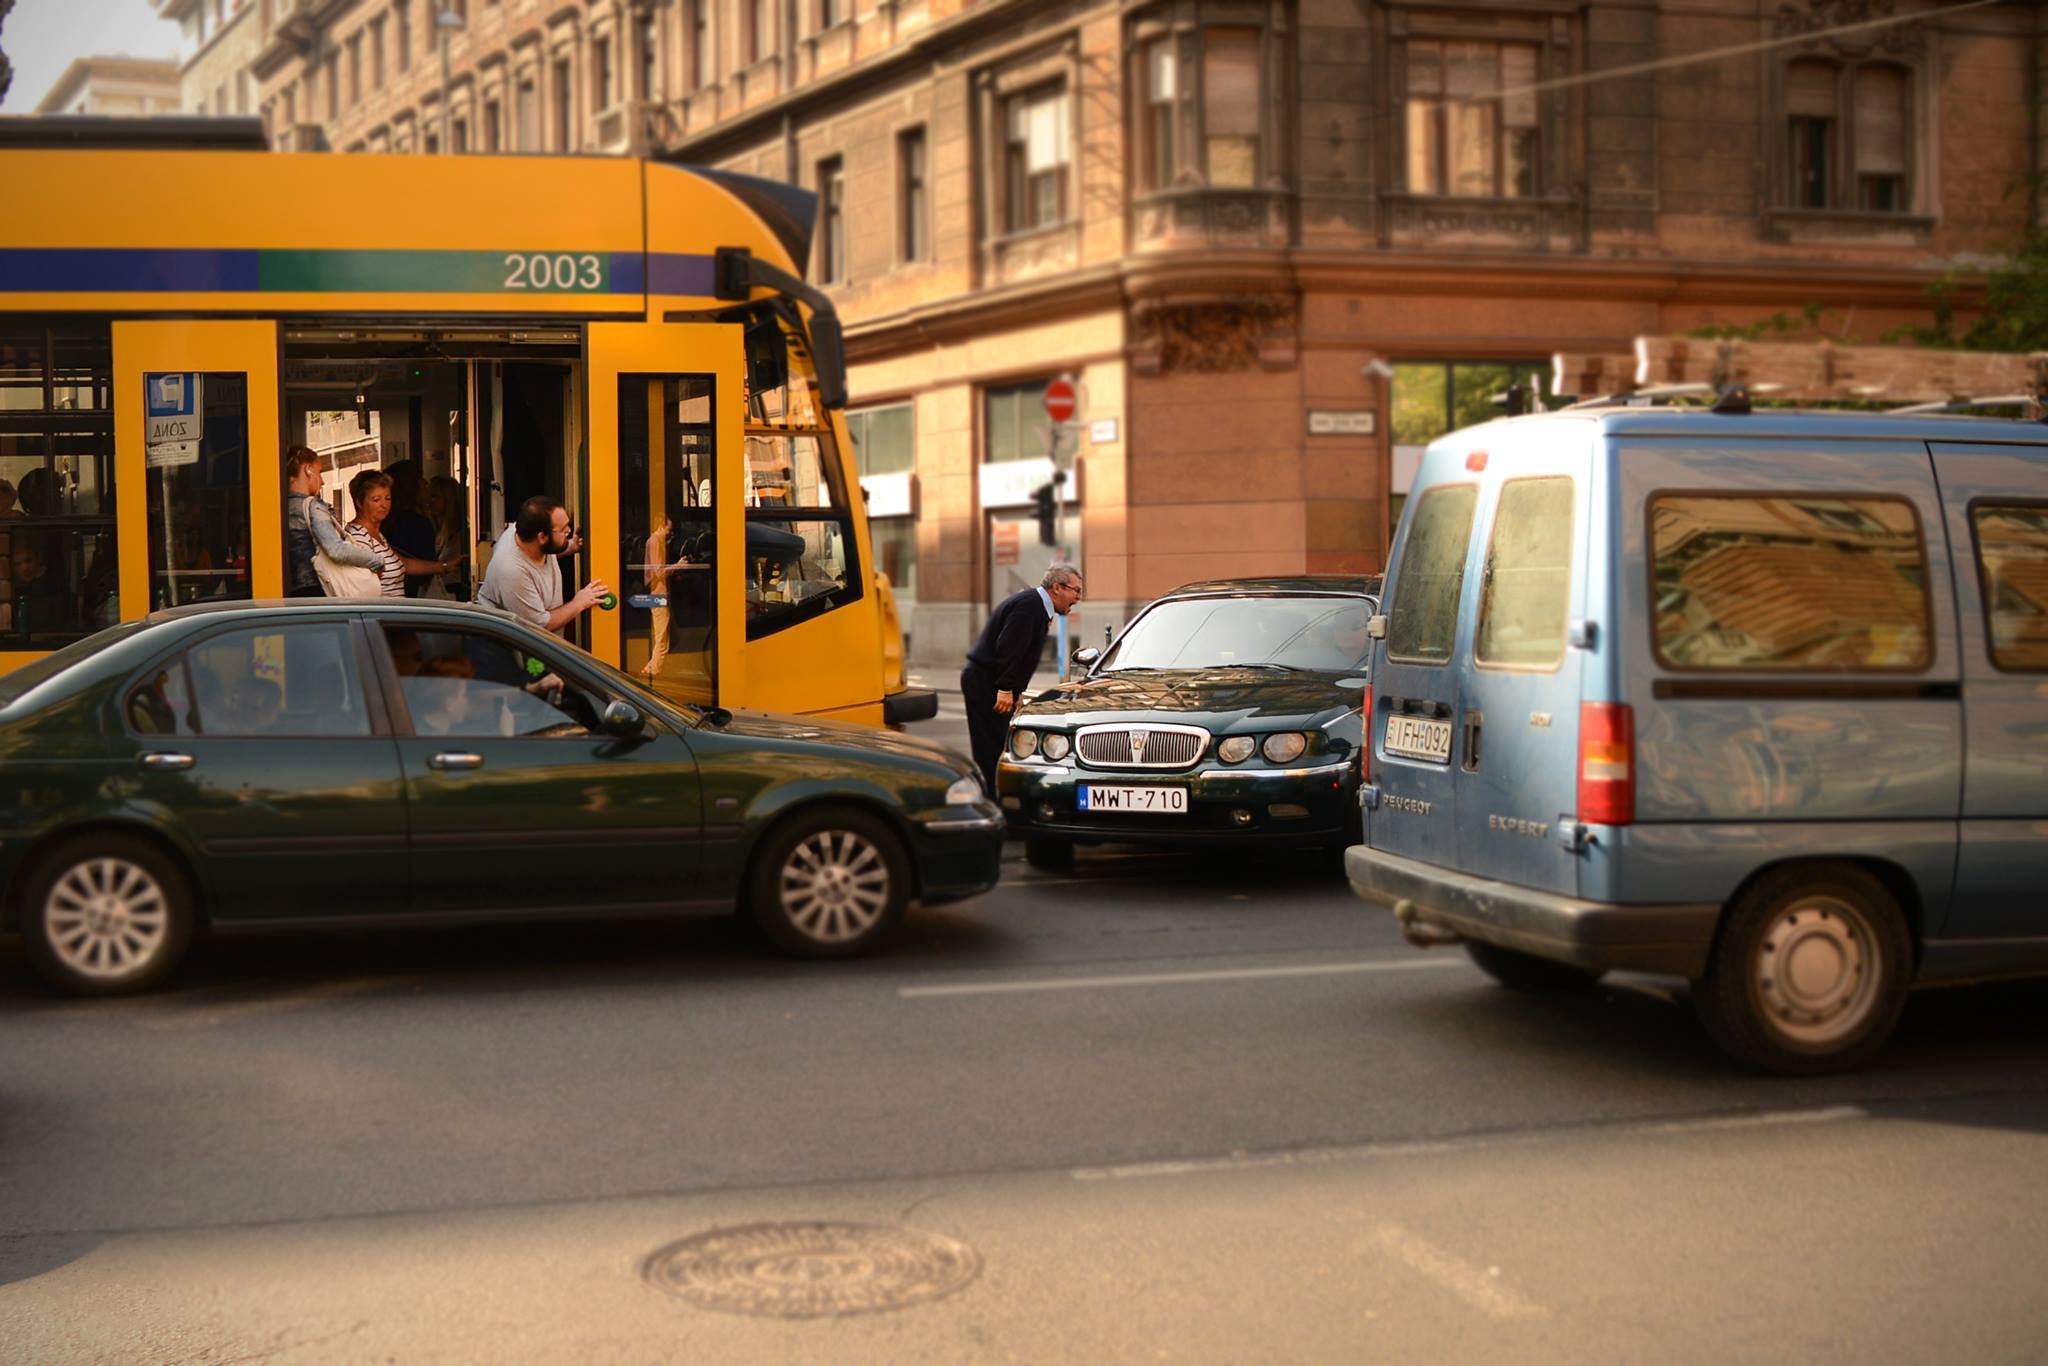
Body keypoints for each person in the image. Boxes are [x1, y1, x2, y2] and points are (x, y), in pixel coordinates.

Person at [961, 563, 1082, 797]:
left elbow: (1020, 652)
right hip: (987, 681)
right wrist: (1006, 688)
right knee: (991, 747)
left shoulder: (1036, 605)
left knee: (999, 744)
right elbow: (1009, 648)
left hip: (991, 680)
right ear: (1057, 587)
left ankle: (998, 797)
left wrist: (1017, 692)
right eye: (1075, 591)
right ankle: (993, 803)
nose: (1077, 598)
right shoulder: (1030, 606)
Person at [476, 494, 609, 635]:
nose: (569, 531)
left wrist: (572, 546)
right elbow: (539, 626)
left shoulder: (525, 533)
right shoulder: (512, 570)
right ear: (542, 537)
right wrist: (579, 603)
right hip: (511, 650)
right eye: (563, 529)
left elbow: (547, 549)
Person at [345, 470, 459, 598]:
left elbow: (404, 563)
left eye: (387, 498)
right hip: (380, 615)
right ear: (359, 502)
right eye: (376, 500)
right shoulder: (358, 538)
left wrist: (444, 566)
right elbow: (363, 589)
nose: (384, 505)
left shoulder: (376, 535)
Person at [284, 447, 380, 598]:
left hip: (295, 591)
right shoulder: (312, 506)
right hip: (317, 589)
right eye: (319, 472)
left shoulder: (282, 507)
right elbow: (336, 550)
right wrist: (375, 560)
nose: (322, 481)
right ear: (308, 469)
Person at [383, 459, 442, 597]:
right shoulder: (418, 524)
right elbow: (421, 572)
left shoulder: (385, 522)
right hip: (412, 599)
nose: (426, 484)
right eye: (421, 479)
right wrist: (444, 566)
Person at [424, 474, 468, 600]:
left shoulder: (462, 535)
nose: (429, 501)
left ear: (449, 500)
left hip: (453, 593)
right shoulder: (432, 530)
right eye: (428, 496)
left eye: (435, 497)